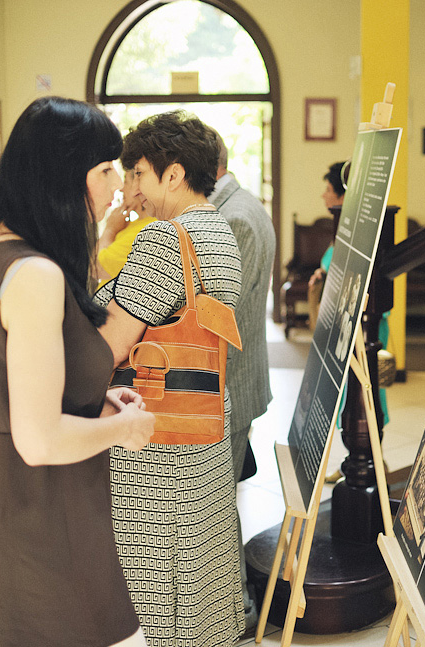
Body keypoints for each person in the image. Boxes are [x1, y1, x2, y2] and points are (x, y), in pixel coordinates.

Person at [0, 96, 155, 647]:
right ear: (68, 173)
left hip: (6, 505)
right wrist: (125, 428)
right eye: (106, 168)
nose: (119, 185)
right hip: (45, 515)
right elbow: (38, 440)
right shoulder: (34, 273)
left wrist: (97, 404)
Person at [95, 110, 245, 646]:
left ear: (174, 174)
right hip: (201, 412)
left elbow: (113, 340)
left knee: (158, 568)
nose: (130, 188)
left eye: (137, 173)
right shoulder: (218, 229)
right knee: (200, 555)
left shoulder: (165, 239)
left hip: (158, 427)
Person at [206, 127, 275, 630]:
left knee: (219, 496)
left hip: (233, 379)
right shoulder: (239, 204)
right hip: (238, 376)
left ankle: (238, 608)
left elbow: (219, 314)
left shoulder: (233, 218)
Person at [93, 168, 157, 288]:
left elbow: (95, 268)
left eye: (126, 182)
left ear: (138, 187)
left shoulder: (146, 229)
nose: (121, 189)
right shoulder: (133, 225)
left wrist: (110, 229)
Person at [308, 161, 346, 330]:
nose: (324, 195)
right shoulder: (340, 226)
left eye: (328, 190)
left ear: (343, 196)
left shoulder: (351, 231)